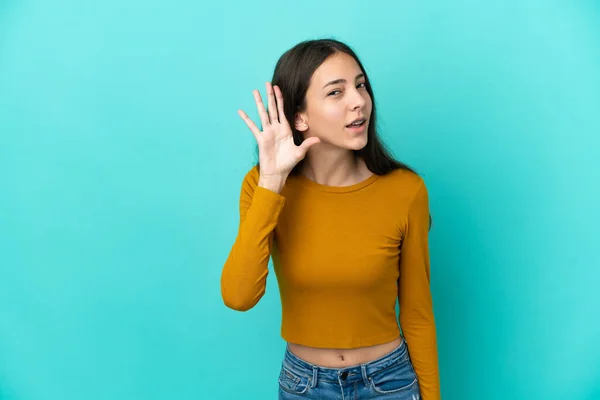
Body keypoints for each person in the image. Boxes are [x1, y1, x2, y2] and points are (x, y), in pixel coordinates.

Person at [221, 38, 440, 400]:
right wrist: (272, 182)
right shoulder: (261, 188)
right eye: (336, 92)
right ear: (298, 117)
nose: (359, 101)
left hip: (390, 383)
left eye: (360, 85)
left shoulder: (406, 190)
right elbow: (239, 296)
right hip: (304, 386)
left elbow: (417, 314)